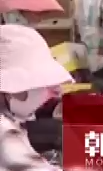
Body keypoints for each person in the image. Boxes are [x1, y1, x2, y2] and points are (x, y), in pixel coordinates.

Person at [0, 25, 74, 169]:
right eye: (43, 84)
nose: (56, 91)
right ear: (12, 89)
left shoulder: (11, 121)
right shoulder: (4, 133)